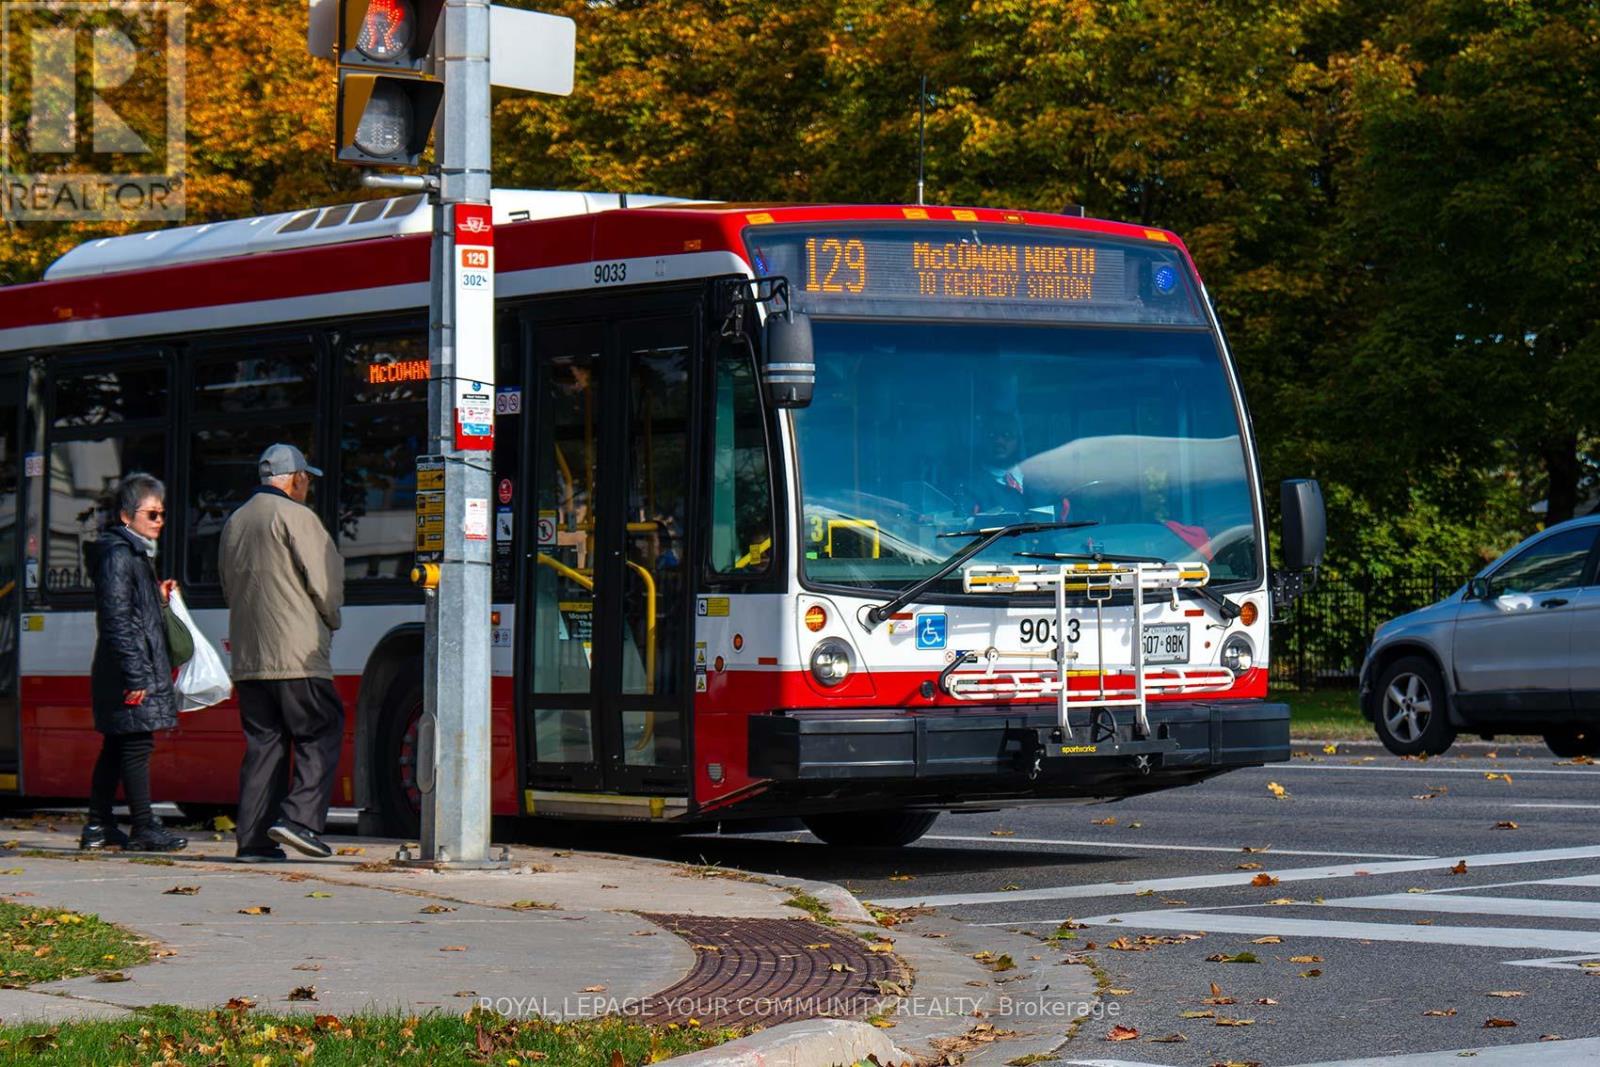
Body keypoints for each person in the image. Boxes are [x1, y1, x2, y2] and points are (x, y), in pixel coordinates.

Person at [218, 444, 345, 862]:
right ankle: (300, 820)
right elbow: (325, 584)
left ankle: (253, 840)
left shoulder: (235, 522)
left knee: (264, 744)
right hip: (297, 653)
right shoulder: (297, 517)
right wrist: (332, 620)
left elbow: (227, 587)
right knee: (320, 729)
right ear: (296, 478)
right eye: (306, 478)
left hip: (250, 658)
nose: (307, 486)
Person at [83, 473, 188, 853]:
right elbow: (115, 619)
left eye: (162, 514)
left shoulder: (131, 554)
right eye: (153, 514)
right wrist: (136, 674)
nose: (160, 521)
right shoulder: (118, 556)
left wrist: (155, 597)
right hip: (128, 670)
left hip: (126, 667)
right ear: (128, 516)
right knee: (137, 744)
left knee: (117, 744)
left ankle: (98, 826)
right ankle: (144, 827)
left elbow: (130, 611)